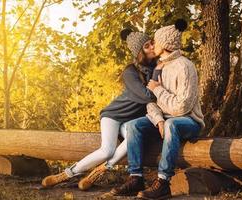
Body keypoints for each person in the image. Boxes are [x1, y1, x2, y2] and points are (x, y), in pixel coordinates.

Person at [41, 28, 158, 191]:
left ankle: (98, 172)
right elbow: (147, 96)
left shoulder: (158, 68)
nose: (152, 47)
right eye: (147, 46)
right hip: (113, 115)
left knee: (133, 138)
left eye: (152, 43)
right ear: (139, 52)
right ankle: (66, 175)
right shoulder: (130, 72)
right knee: (106, 150)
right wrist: (154, 88)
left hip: (131, 121)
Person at [110, 19, 205, 199]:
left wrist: (158, 91)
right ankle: (136, 177)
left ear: (166, 44)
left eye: (156, 41)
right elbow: (152, 102)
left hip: (189, 121)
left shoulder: (185, 66)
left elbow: (182, 107)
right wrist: (158, 119)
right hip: (165, 119)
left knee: (172, 125)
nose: (154, 45)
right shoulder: (159, 67)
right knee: (133, 126)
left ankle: (163, 182)